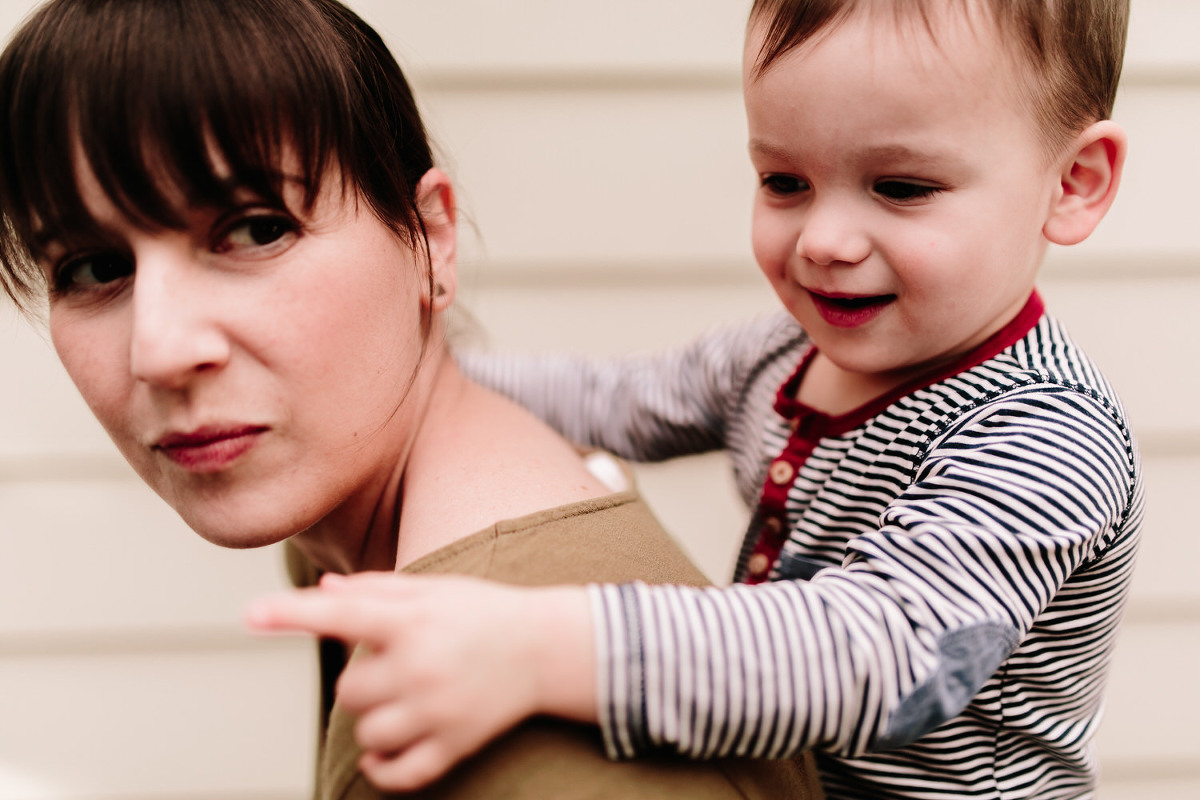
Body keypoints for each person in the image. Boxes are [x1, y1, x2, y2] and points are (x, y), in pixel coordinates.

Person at [249, 0, 1145, 798]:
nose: (825, 239)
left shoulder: (1044, 433)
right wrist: (411, 379)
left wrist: (539, 646)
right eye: (784, 181)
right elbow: (622, 400)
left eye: (901, 188)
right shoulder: (783, 352)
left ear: (1073, 184)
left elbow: (884, 657)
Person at [0, 1, 825, 798]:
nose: (161, 351)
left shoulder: (520, 741)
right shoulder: (362, 517)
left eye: (255, 229)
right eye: (93, 269)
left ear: (431, 238)